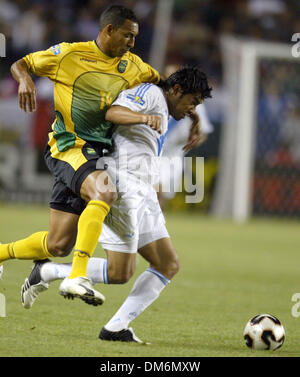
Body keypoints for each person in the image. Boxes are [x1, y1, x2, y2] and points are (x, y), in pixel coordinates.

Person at [21, 65, 212, 343]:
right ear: (176, 90)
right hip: (121, 184)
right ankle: (49, 271)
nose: (192, 108)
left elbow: (175, 105)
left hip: (143, 188)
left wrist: (192, 115)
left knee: (167, 264)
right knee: (119, 272)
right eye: (192, 101)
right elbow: (112, 112)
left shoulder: (166, 99)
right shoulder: (149, 94)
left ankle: (115, 327)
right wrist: (143, 117)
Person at [0, 5, 163, 306]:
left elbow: (165, 85)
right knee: (105, 191)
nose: (131, 43)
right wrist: (25, 79)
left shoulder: (134, 65)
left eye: (135, 37)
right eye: (127, 36)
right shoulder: (69, 55)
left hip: (100, 155)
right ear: (109, 30)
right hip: (69, 146)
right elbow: (20, 64)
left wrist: (191, 115)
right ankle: (77, 276)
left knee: (58, 243)